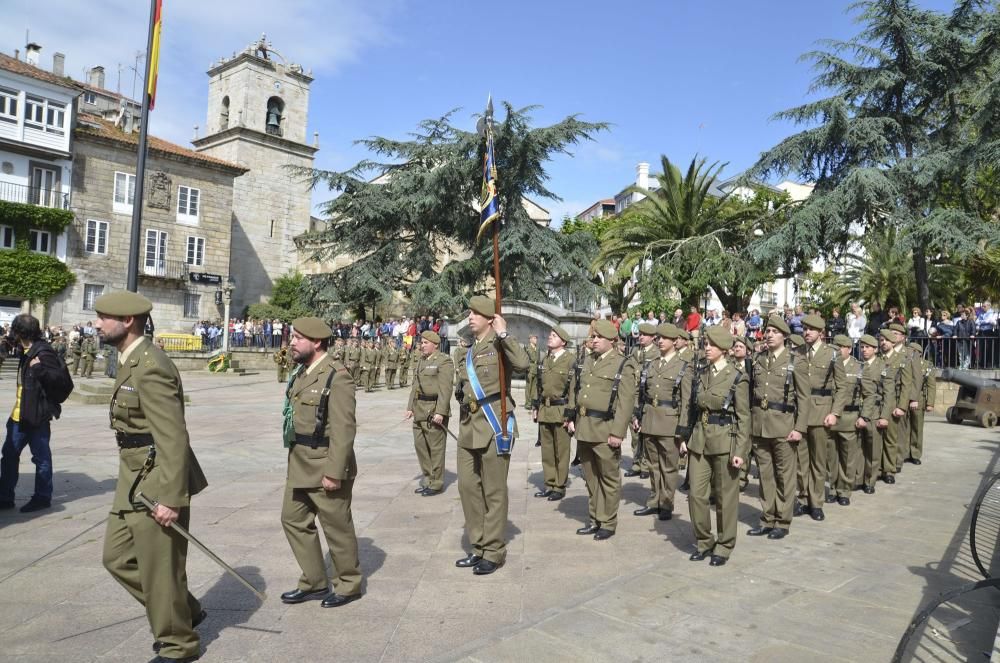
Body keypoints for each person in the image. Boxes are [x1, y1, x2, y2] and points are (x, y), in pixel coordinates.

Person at [95, 292, 207, 662]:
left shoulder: (151, 365)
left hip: (155, 477)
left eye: (104, 317)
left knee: (161, 568)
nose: (97, 323)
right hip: (133, 474)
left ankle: (178, 644)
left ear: (128, 321)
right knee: (117, 557)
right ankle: (184, 609)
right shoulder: (131, 360)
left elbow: (173, 436)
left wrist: (172, 497)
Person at [279, 317, 362, 609]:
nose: (292, 342)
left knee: (336, 527)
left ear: (316, 342)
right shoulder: (302, 373)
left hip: (325, 463)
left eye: (298, 338)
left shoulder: (336, 375)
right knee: (293, 519)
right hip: (300, 461)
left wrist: (334, 472)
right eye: (292, 337)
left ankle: (348, 584)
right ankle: (314, 581)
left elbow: (344, 428)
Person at [453, 296, 529, 574]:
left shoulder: (499, 344)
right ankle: (478, 545)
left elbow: (522, 364)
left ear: (489, 318)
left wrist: (504, 332)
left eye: (476, 313)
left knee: (494, 491)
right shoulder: (470, 350)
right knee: (467, 487)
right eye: (469, 313)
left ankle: (494, 551)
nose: (470, 317)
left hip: (494, 424)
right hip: (469, 425)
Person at [567, 319, 636, 540]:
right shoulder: (587, 361)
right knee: (590, 477)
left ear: (612, 341)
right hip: (585, 427)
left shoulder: (623, 364)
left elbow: (625, 403)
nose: (593, 341)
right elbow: (579, 391)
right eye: (593, 337)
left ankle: (608, 521)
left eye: (598, 338)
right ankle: (595, 518)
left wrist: (618, 433)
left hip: (605, 429)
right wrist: (572, 418)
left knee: (608, 477)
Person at [687, 326, 749, 566]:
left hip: (725, 439)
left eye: (711, 344)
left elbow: (744, 417)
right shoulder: (702, 372)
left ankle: (724, 544)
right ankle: (704, 541)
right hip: (700, 438)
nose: (707, 347)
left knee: (725, 497)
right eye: (705, 343)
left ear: (723, 348)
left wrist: (740, 452)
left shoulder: (736, 376)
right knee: (696, 495)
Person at [0, 314, 73, 513]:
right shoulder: (26, 348)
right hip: (19, 414)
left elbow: (58, 381)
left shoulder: (43, 352)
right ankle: (5, 497)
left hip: (36, 416)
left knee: (41, 459)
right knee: (8, 456)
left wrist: (39, 369)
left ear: (20, 332)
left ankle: (42, 497)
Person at [632, 323, 691, 521]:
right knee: (653, 464)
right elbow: (642, 394)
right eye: (659, 337)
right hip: (650, 419)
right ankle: (654, 500)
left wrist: (682, 429)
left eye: (664, 338)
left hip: (669, 422)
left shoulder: (683, 366)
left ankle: (666, 503)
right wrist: (637, 416)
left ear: (675, 341)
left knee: (668, 466)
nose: (660, 340)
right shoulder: (652, 364)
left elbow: (686, 400)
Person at [747, 316, 799, 540]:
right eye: (767, 331)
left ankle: (783, 521)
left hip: (784, 425)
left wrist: (800, 428)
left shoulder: (795, 361)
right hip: (760, 423)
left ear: (785, 336)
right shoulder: (758, 359)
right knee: (765, 475)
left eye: (774, 332)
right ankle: (768, 518)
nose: (768, 335)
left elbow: (804, 399)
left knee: (784, 475)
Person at [791, 314, 845, 522]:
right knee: (801, 461)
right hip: (800, 412)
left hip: (822, 412)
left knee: (818, 461)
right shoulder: (797, 353)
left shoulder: (832, 355)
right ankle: (804, 498)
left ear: (821, 332)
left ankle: (817, 502)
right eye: (804, 329)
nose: (806, 332)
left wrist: (835, 413)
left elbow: (842, 388)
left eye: (811, 329)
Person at [528, 325, 575, 502]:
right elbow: (538, 386)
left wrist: (570, 415)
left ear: (563, 341)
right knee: (547, 450)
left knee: (561, 451)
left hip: (561, 410)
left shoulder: (570, 360)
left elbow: (573, 390)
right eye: (549, 335)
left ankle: (559, 485)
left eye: (554, 336)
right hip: (545, 410)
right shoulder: (544, 360)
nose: (549, 337)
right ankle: (549, 483)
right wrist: (535, 406)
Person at [405, 330, 454, 496]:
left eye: (426, 343)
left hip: (433, 409)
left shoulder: (444, 361)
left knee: (436, 448)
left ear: (435, 344)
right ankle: (428, 478)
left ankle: (437, 483)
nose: (422, 346)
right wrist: (410, 407)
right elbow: (415, 385)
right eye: (422, 343)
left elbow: (445, 389)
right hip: (419, 408)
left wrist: (441, 412)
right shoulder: (421, 360)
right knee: (421, 446)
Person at [826, 334, 870, 507]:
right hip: (830, 418)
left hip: (849, 418)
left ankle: (844, 490)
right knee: (831, 457)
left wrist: (864, 416)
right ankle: (832, 488)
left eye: (840, 348)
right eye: (834, 347)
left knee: (848, 458)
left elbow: (869, 395)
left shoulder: (859, 368)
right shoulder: (828, 366)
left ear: (849, 349)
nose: (836, 351)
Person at [625, 323, 658, 478]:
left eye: (645, 334)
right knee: (635, 433)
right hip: (633, 395)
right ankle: (636, 463)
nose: (641, 337)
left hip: (646, 396)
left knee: (646, 433)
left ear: (652, 337)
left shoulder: (656, 353)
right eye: (640, 334)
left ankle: (646, 465)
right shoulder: (635, 351)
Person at [858, 334, 888, 494]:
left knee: (873, 449)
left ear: (875, 349)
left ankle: (870, 480)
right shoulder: (859, 366)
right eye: (862, 347)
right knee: (860, 448)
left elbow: (888, 393)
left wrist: (884, 416)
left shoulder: (882, 366)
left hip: (875, 411)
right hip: (860, 410)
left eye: (867, 347)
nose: (864, 350)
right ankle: (859, 477)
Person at [906, 342, 936, 465]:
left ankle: (915, 453)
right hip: (904, 398)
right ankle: (905, 452)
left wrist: (930, 403)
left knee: (916, 427)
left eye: (912, 351)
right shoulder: (905, 362)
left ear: (918, 352)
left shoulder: (927, 365)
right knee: (905, 427)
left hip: (920, 399)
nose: (909, 353)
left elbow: (931, 385)